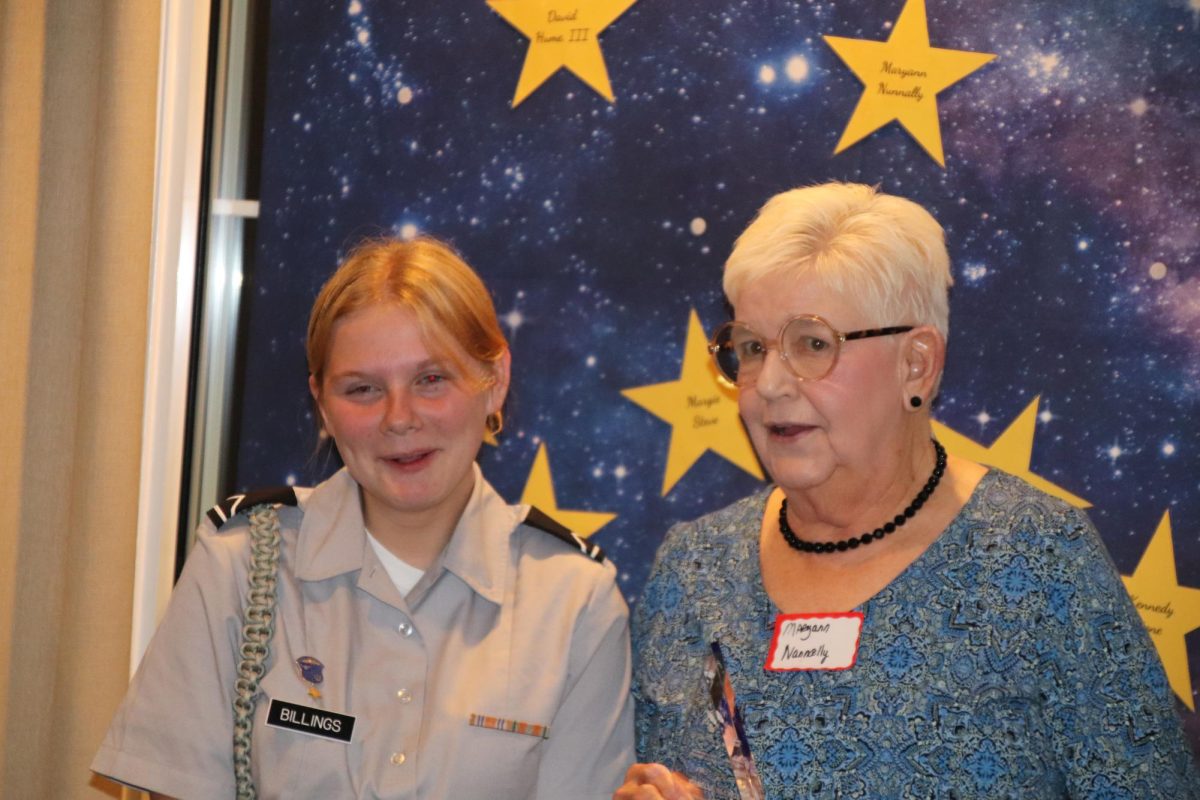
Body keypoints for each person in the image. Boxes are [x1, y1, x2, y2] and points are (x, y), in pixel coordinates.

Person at [616, 183, 1199, 799]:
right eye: (753, 348)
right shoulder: (694, 567)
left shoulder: (1037, 560)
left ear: (916, 364)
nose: (770, 384)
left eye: (812, 344)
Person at [93, 236, 634, 799]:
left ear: (493, 381)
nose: (398, 419)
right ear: (322, 404)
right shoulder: (241, 567)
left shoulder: (576, 602)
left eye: (431, 379)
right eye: (362, 389)